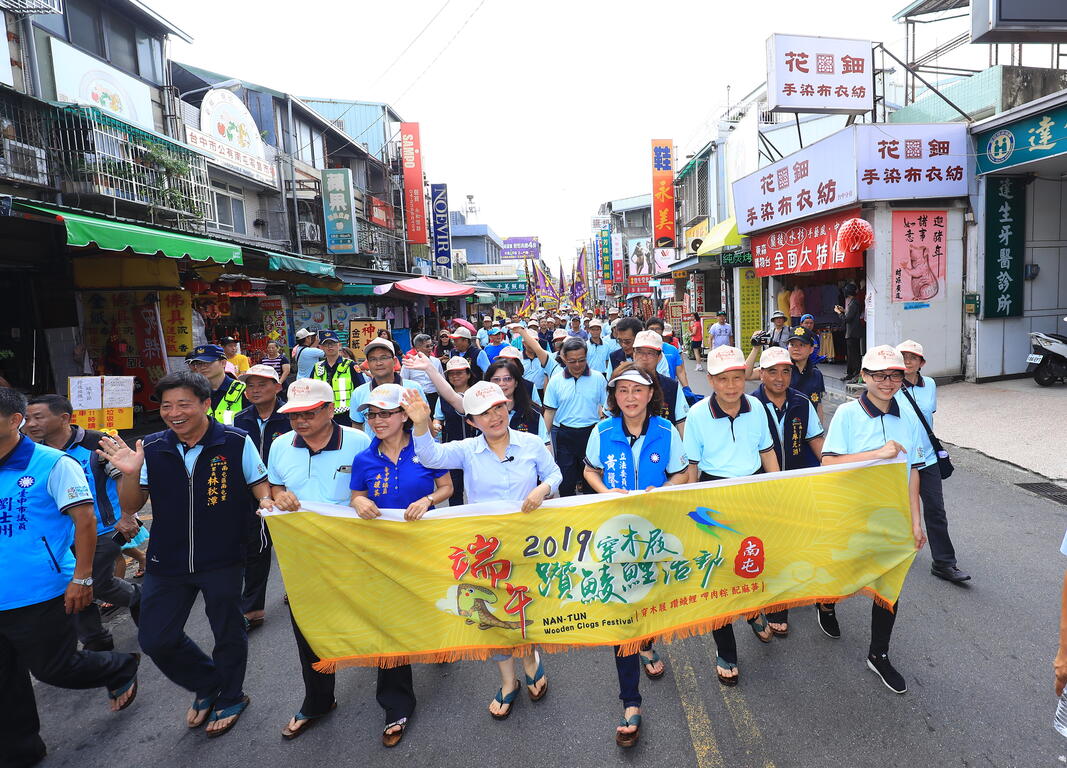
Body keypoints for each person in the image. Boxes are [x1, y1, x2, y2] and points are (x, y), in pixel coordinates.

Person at [99, 371, 272, 736]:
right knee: (156, 638)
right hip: (168, 559)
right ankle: (209, 683)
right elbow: (131, 506)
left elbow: (258, 482)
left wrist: (268, 504)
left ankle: (231, 694)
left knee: (227, 629)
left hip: (224, 555)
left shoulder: (236, 441)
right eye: (166, 406)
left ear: (205, 404)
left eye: (183, 404)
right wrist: (129, 473)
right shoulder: (153, 447)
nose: (174, 413)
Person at [403, 382, 561, 720]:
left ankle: (531, 660)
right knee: (489, 616)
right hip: (484, 551)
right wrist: (420, 423)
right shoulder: (466, 450)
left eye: (498, 409)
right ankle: (508, 682)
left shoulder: (531, 443)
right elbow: (430, 456)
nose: (494, 417)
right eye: (484, 414)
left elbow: (554, 472)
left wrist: (543, 489)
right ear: (472, 422)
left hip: (525, 544)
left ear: (508, 408)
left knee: (524, 606)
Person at [0, 388, 140, 768]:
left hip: (40, 589)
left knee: (55, 669)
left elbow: (85, 519)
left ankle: (119, 665)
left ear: (14, 422)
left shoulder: (51, 463)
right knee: (5, 681)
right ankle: (21, 750)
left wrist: (83, 579)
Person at [582, 363, 688, 747]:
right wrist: (602, 491)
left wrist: (666, 492)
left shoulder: (665, 432)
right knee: (624, 614)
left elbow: (680, 475)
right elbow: (590, 470)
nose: (630, 397)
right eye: (622, 391)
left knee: (653, 602)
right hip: (616, 537)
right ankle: (630, 701)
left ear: (650, 395)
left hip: (657, 536)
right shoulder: (602, 431)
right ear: (615, 396)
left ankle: (647, 641)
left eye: (637, 390)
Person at [265, 379, 373, 742]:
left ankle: (395, 698)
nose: (301, 421)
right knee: (309, 629)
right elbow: (274, 488)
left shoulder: (359, 442)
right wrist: (278, 497)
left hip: (357, 552)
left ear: (330, 410)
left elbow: (378, 484)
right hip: (303, 557)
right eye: (294, 414)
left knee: (377, 618)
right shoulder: (280, 445)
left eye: (309, 413)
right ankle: (318, 700)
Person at [348, 384, 453, 746]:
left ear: (403, 416)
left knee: (431, 602)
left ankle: (437, 642)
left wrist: (427, 500)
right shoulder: (364, 458)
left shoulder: (424, 451)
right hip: (383, 553)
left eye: (384, 414)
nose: (376, 421)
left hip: (426, 546)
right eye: (371, 415)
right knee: (388, 621)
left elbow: (447, 487)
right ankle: (396, 705)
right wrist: (359, 503)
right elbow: (357, 495)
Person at [819, 345, 927, 694]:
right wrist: (876, 455)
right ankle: (827, 600)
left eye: (895, 375)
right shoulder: (848, 415)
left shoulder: (907, 416)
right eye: (879, 375)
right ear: (864, 377)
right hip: (851, 515)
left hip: (891, 519)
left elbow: (913, 471)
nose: (888, 382)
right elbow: (829, 463)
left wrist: (915, 520)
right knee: (842, 573)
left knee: (889, 587)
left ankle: (878, 654)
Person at [682, 346, 780, 686]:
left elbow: (767, 451)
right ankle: (726, 649)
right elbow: (692, 465)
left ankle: (753, 611)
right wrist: (690, 513)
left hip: (752, 492)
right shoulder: (696, 415)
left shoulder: (757, 408)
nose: (731, 385)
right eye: (722, 379)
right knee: (717, 575)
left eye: (737, 377)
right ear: (710, 380)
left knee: (752, 563)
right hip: (712, 495)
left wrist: (777, 491)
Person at [23, 395, 141, 653]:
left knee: (92, 582)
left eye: (38, 417)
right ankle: (97, 640)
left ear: (64, 418)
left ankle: (135, 599)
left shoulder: (96, 442)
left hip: (106, 529)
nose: (30, 424)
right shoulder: (34, 451)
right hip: (63, 537)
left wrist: (127, 516)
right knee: (76, 584)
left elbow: (124, 477)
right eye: (28, 418)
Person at [749, 346, 825, 637]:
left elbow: (818, 444)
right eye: (772, 371)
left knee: (795, 542)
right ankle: (775, 605)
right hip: (762, 488)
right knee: (769, 546)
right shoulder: (749, 405)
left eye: (785, 371)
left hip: (796, 486)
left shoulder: (801, 402)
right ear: (761, 374)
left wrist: (835, 471)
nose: (779, 378)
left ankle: (793, 593)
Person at [894, 339, 970, 584]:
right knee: (898, 509)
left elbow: (927, 417)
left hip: (927, 459)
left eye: (913, 358)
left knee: (936, 510)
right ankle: (896, 552)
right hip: (899, 461)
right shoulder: (890, 385)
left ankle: (944, 563)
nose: (907, 362)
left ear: (921, 362)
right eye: (903, 357)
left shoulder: (930, 385)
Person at [233, 364, 292, 632]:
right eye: (250, 386)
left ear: (277, 387)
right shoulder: (241, 419)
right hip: (253, 491)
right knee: (255, 547)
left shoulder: (290, 415)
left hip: (287, 489)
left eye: (262, 385)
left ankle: (296, 586)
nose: (255, 390)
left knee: (292, 544)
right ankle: (253, 608)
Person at [543, 338, 608, 497]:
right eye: (572, 361)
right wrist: (544, 440)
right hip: (565, 435)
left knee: (592, 481)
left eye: (581, 360)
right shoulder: (556, 381)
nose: (577, 365)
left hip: (591, 434)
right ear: (564, 358)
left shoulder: (598, 378)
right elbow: (549, 412)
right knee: (566, 481)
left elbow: (607, 408)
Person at [350, 339, 427, 430]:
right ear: (368, 364)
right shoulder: (359, 393)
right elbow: (357, 427)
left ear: (394, 361)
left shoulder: (413, 388)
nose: (378, 363)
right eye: (373, 359)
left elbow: (426, 424)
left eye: (383, 358)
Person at [631, 331, 689, 435]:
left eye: (650, 353)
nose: (644, 358)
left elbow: (682, 423)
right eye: (640, 352)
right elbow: (608, 416)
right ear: (634, 354)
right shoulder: (621, 384)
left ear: (659, 357)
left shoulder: (672, 387)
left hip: (663, 446)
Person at [484, 359, 549, 445]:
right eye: (496, 380)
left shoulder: (533, 414)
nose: (502, 383)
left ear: (516, 383)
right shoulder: (482, 413)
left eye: (507, 379)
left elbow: (546, 444)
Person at [311, 331, 365, 427]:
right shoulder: (317, 367)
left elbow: (361, 389)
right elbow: (311, 391)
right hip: (323, 414)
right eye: (326, 344)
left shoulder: (350, 365)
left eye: (332, 343)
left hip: (347, 415)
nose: (330, 347)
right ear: (321, 347)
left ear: (339, 345)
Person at [186, 344, 248, 425]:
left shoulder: (242, 390)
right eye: (198, 363)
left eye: (208, 362)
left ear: (223, 363)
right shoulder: (193, 393)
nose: (202, 367)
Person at [786, 327, 826, 424]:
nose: (796, 348)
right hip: (786, 428)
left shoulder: (816, 374)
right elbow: (748, 375)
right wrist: (756, 348)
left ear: (811, 349)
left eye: (801, 345)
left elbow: (818, 405)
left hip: (809, 429)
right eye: (792, 344)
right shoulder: (783, 370)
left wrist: (819, 431)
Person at [403, 333, 444, 412]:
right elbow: (404, 382)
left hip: (433, 397)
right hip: (415, 398)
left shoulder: (436, 361)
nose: (430, 349)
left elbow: (441, 380)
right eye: (427, 346)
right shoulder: (409, 363)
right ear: (418, 348)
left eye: (431, 345)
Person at [644, 318, 689, 387]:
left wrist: (686, 388)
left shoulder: (672, 349)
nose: (654, 332)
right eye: (651, 329)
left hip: (669, 388)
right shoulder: (641, 351)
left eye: (657, 329)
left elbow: (680, 371)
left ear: (662, 331)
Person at [835, 282, 863, 381]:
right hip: (852, 331)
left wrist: (839, 313)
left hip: (852, 332)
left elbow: (847, 319)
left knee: (853, 354)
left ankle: (853, 373)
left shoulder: (853, 302)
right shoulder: (853, 302)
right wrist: (843, 311)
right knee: (851, 354)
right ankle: (851, 373)